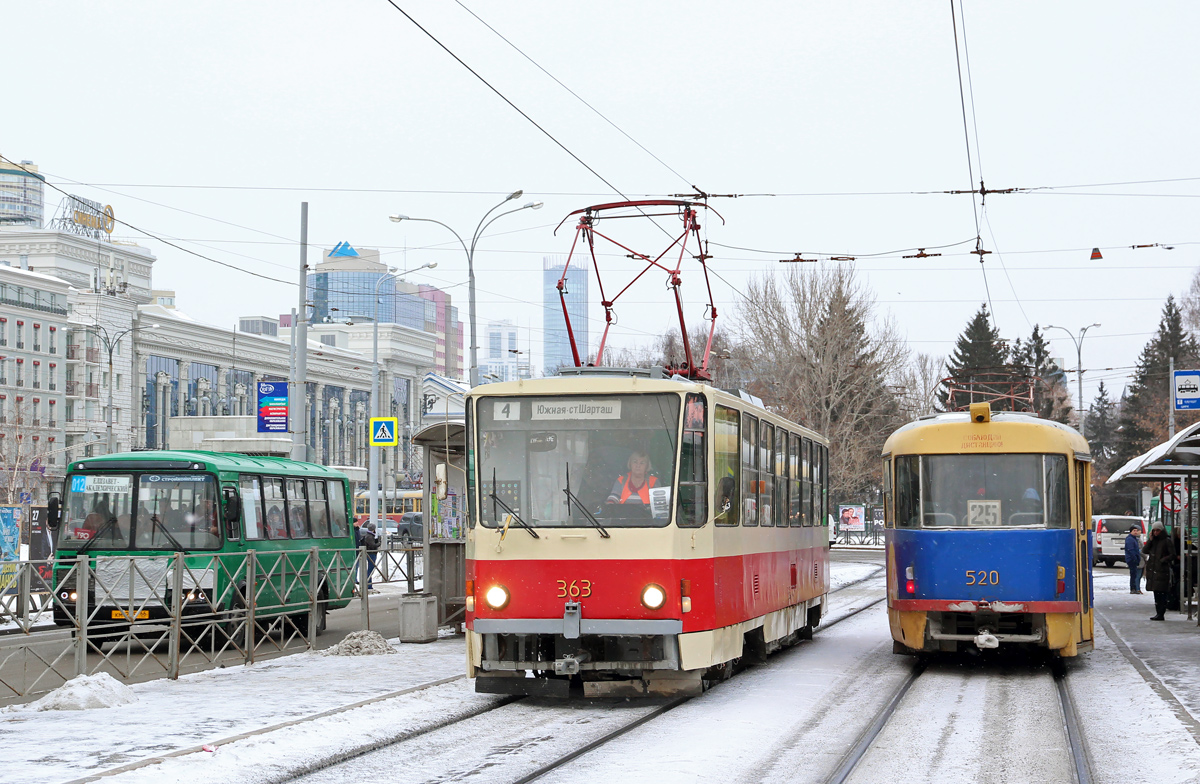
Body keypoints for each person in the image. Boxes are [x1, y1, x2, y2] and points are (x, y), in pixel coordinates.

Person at [1143, 521, 1177, 620]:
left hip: (1162, 570)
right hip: (1154, 570)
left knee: (1162, 593)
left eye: (1158, 530)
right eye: (1154, 531)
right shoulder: (1153, 541)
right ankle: (1158, 613)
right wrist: (1150, 540)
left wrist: (1163, 560)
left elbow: (1172, 554)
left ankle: (1161, 613)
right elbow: (1145, 550)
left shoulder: (1167, 541)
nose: (1156, 532)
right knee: (1156, 593)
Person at [360, 521, 380, 590]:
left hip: (370, 553)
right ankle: (368, 584)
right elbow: (372, 546)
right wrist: (378, 543)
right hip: (371, 553)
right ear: (373, 529)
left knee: (370, 569)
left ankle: (368, 584)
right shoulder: (369, 536)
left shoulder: (369, 535)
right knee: (370, 569)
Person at [1125, 525, 1143, 594]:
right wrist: (1135, 558)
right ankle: (1133, 589)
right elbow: (1131, 550)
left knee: (1134, 574)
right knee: (1133, 574)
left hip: (1134, 559)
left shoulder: (1134, 538)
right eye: (1134, 531)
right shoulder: (1130, 539)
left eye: (1136, 530)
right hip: (1132, 559)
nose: (1136, 532)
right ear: (1131, 531)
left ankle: (1134, 588)